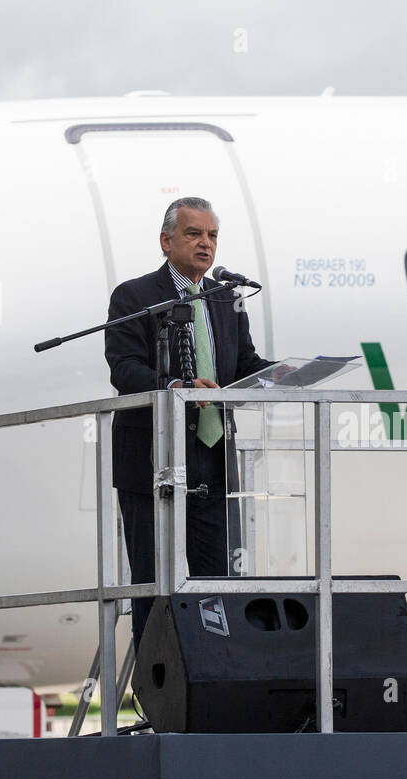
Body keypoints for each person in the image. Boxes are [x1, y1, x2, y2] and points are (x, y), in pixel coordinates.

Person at [104, 197, 273, 649]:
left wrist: (283, 374)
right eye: (194, 234)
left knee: (214, 579)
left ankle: (214, 669)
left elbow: (241, 366)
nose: (205, 244)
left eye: (212, 235)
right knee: (154, 579)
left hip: (211, 455)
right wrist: (179, 385)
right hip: (152, 457)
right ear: (166, 241)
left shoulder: (225, 298)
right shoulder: (134, 297)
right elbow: (124, 370)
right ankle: (156, 682)